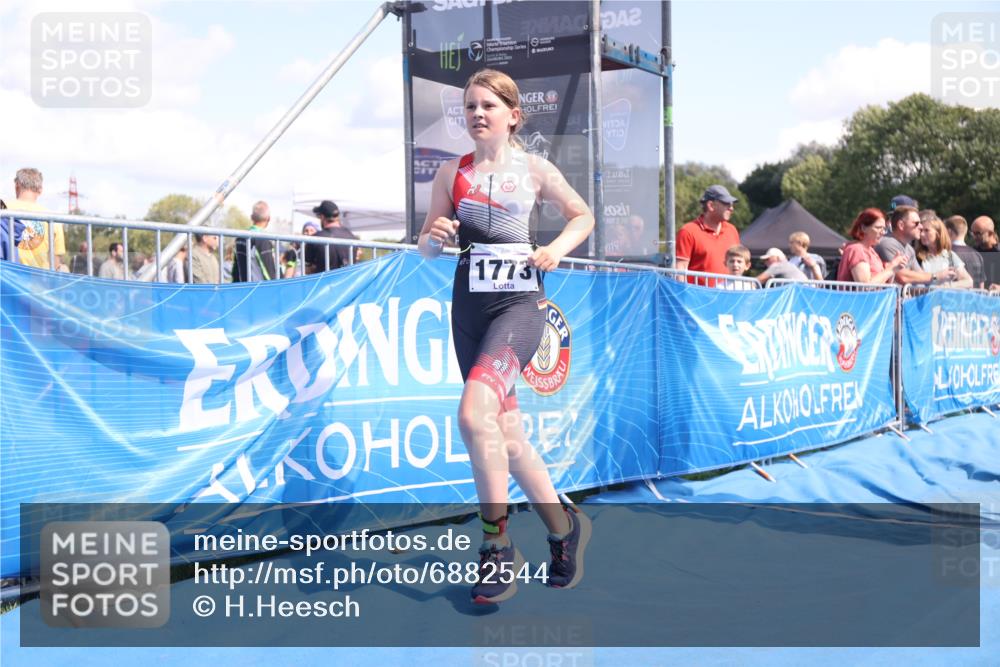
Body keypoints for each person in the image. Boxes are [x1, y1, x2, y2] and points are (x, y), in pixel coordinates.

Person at [418, 68, 594, 604]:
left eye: (487, 106)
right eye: (469, 106)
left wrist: (558, 249)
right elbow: (427, 244)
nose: (476, 114)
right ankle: (565, 529)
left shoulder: (536, 169)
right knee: (509, 438)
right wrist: (437, 235)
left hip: (520, 307)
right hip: (469, 309)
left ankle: (496, 549)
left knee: (474, 416)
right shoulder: (451, 174)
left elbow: (581, 215)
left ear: (512, 115)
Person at [675, 185, 741, 283]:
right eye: (727, 204)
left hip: (728, 297)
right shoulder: (688, 231)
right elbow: (680, 269)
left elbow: (739, 263)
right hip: (698, 297)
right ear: (711, 205)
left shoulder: (732, 230)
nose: (731, 208)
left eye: (731, 205)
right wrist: (686, 297)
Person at [875, 205, 949, 285]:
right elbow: (902, 276)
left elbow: (921, 275)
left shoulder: (909, 249)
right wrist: (936, 276)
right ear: (901, 225)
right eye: (916, 223)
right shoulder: (887, 244)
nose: (921, 227)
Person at [10, 168, 65, 270]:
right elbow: (56, 263)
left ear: (16, 186)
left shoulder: (3, 208)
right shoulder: (53, 219)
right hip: (39, 283)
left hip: (6, 282)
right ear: (40, 190)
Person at [837, 208, 908, 283]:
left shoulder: (871, 251)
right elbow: (865, 286)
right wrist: (891, 267)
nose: (883, 232)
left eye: (884, 229)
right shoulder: (857, 250)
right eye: (878, 228)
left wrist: (894, 268)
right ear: (863, 228)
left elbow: (882, 283)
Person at [915, 215, 973, 288]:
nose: (922, 234)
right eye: (921, 231)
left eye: (927, 230)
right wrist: (938, 277)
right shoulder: (917, 257)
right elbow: (916, 284)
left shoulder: (949, 256)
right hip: (925, 298)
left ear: (938, 233)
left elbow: (968, 281)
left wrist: (947, 286)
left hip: (945, 298)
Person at [304, 200, 360, 273]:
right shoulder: (352, 237)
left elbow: (308, 270)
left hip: (323, 283)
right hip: (347, 283)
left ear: (322, 217)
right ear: (337, 216)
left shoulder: (315, 239)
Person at [232, 200, 277, 282]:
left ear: (251, 217)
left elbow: (235, 269)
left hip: (243, 289)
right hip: (259, 290)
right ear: (268, 218)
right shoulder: (263, 239)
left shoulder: (239, 238)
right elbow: (269, 271)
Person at [944, 215, 985, 288]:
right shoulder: (977, 255)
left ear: (949, 231)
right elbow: (981, 286)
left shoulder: (946, 253)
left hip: (955, 298)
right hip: (976, 298)